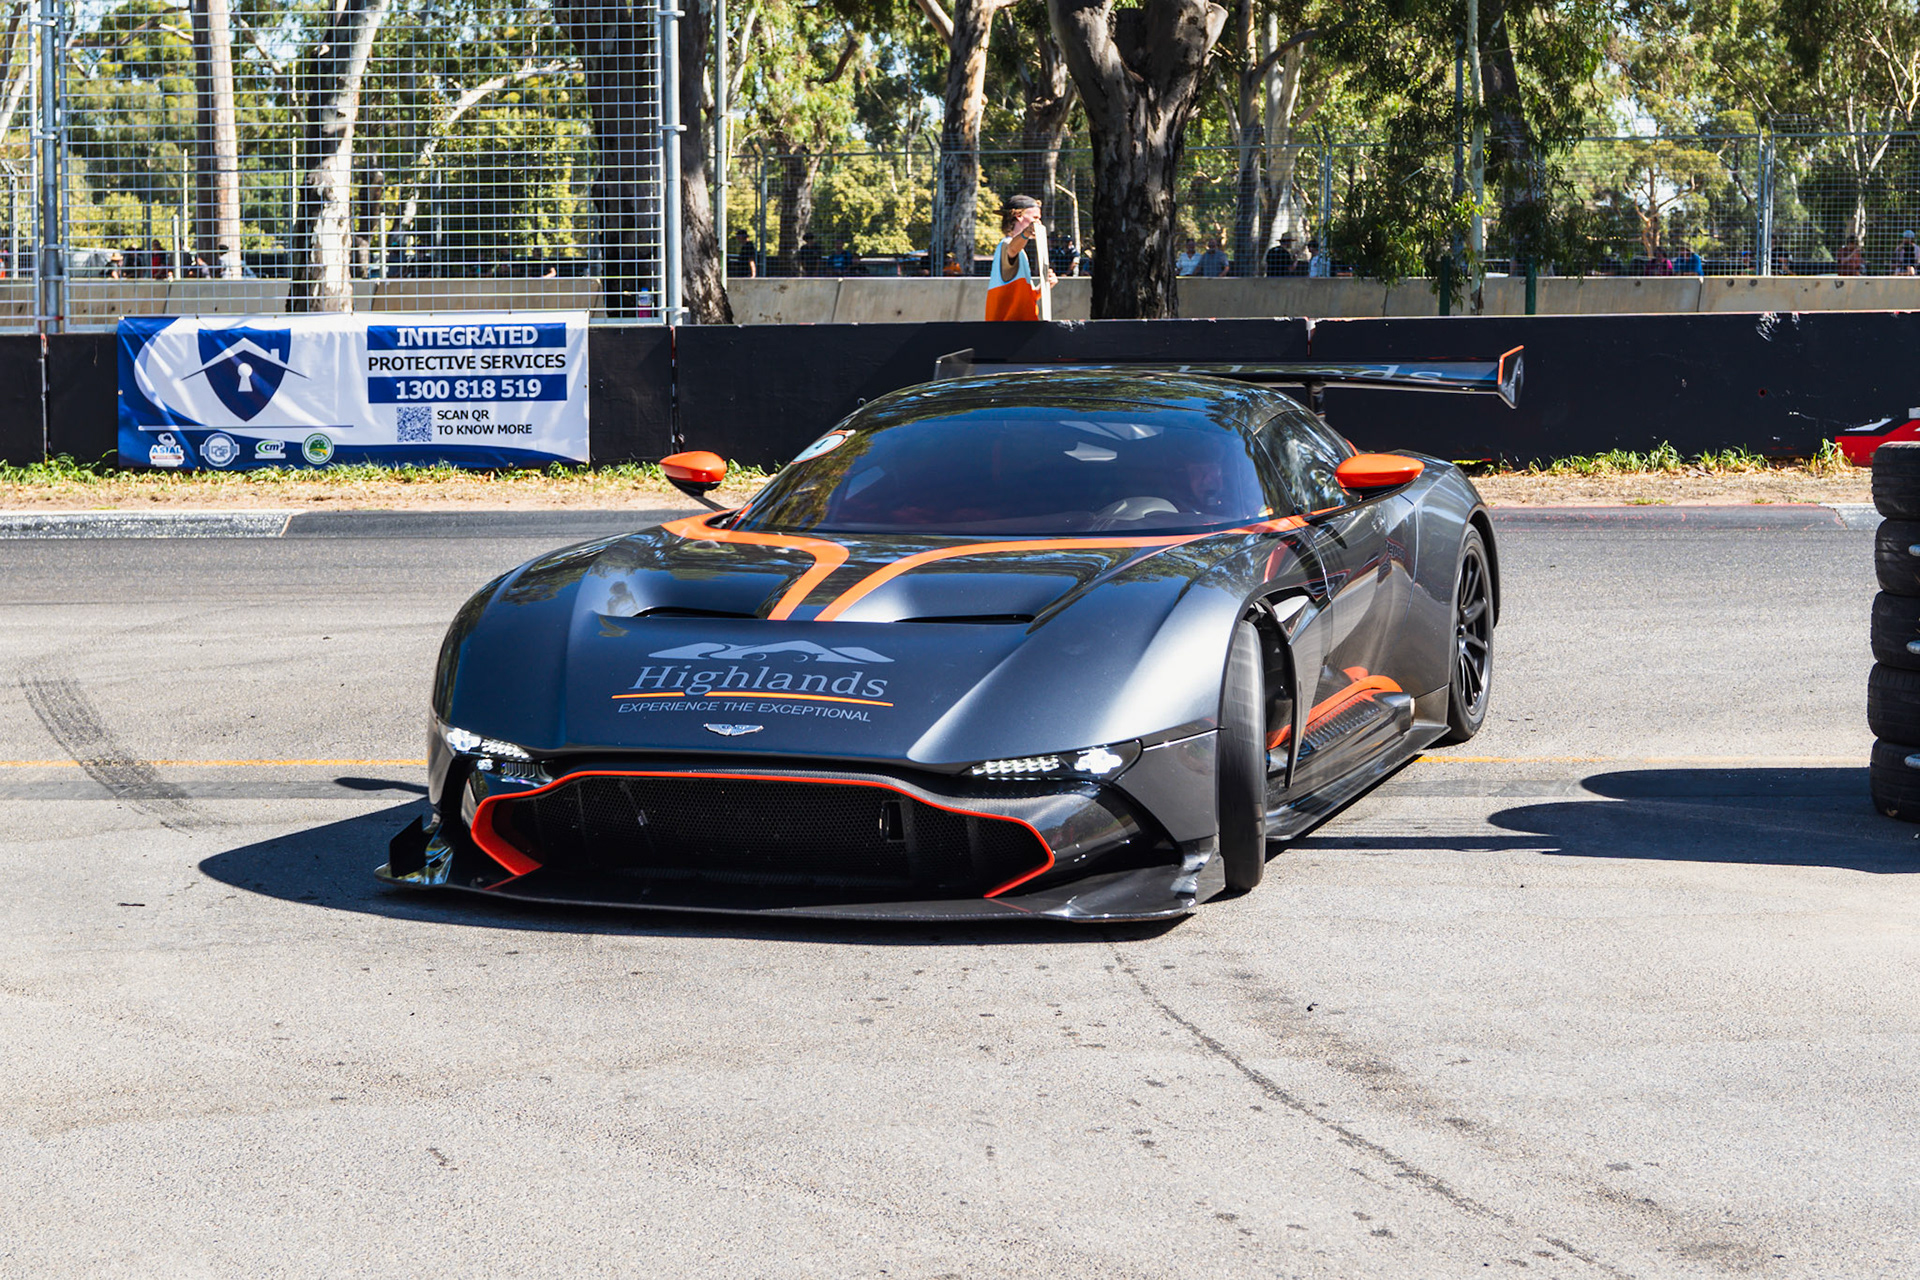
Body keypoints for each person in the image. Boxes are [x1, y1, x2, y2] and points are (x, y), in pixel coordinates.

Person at [985, 193, 1056, 321]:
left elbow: (1024, 299)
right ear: (1018, 216)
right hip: (1008, 328)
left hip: (1020, 326)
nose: (1039, 223)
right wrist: (1026, 232)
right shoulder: (1006, 244)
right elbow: (1011, 249)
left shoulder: (1020, 251)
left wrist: (1043, 287)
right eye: (1035, 218)